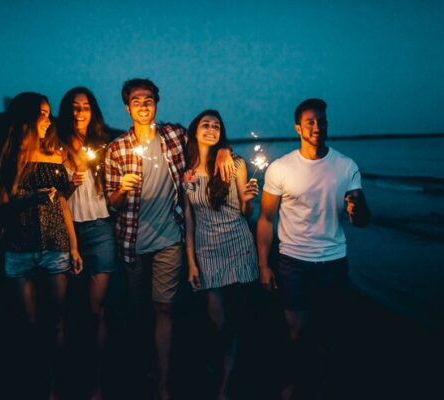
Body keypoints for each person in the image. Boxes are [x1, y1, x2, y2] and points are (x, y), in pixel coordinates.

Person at [104, 78, 234, 400]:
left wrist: (224, 151)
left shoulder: (175, 135)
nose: (144, 105)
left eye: (149, 99)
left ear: (157, 103)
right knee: (140, 311)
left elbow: (208, 139)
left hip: (170, 240)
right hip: (132, 241)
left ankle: (162, 383)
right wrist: (123, 188)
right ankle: (147, 363)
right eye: (136, 101)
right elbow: (111, 203)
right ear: (127, 107)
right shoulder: (117, 149)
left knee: (165, 309)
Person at [256, 98, 370, 399]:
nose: (317, 126)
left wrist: (356, 209)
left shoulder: (346, 166)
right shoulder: (281, 168)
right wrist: (263, 265)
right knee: (297, 333)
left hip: (333, 261)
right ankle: (295, 384)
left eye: (321, 121)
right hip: (293, 261)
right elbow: (266, 218)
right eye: (310, 122)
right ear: (298, 128)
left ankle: (323, 386)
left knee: (329, 334)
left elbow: (361, 219)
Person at [0, 92, 83, 400]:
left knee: (57, 320)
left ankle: (55, 388)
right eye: (42, 114)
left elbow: (63, 206)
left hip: (56, 244)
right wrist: (32, 198)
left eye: (48, 113)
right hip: (19, 247)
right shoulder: (6, 158)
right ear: (26, 118)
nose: (48, 120)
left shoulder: (55, 156)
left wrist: (74, 247)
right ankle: (34, 381)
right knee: (29, 324)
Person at [183, 110, 259, 400]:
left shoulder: (236, 164)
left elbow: (245, 212)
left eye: (216, 126)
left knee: (238, 319)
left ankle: (225, 387)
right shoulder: (188, 173)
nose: (211, 129)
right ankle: (217, 365)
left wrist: (249, 200)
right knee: (218, 323)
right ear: (196, 131)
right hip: (207, 252)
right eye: (206, 125)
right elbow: (189, 220)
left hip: (239, 246)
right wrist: (190, 261)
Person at [57, 86, 119, 400]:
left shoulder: (103, 145)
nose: (80, 112)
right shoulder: (55, 146)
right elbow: (58, 199)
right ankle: (65, 376)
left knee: (97, 309)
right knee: (67, 309)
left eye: (85, 107)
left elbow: (112, 193)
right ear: (66, 111)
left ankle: (97, 382)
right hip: (69, 231)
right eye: (74, 107)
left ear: (93, 110)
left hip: (101, 229)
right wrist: (69, 184)